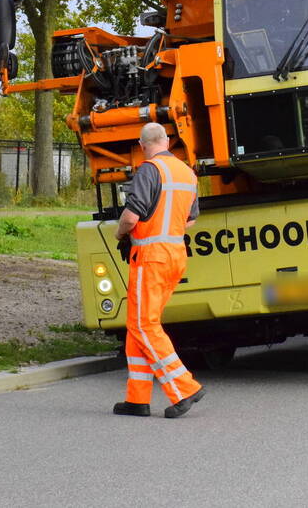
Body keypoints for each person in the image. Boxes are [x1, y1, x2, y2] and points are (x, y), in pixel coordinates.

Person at [112, 122, 204, 419]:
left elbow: (130, 216)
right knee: (139, 324)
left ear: (142, 145)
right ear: (166, 141)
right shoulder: (187, 173)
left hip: (150, 256)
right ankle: (136, 399)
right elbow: (191, 219)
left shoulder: (149, 170)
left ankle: (184, 388)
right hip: (175, 255)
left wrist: (121, 234)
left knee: (143, 325)